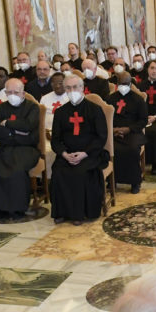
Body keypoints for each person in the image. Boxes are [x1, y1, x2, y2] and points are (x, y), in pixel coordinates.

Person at [50, 75, 108, 224]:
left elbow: (101, 137)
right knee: (58, 171)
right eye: (68, 88)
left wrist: (84, 153)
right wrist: (64, 154)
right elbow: (55, 139)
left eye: (75, 87)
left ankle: (80, 214)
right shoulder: (61, 112)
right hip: (67, 153)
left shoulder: (95, 110)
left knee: (79, 172)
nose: (72, 90)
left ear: (82, 88)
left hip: (90, 153)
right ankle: (62, 212)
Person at [0, 78, 42, 223]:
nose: (12, 95)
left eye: (16, 92)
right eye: (9, 92)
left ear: (23, 93)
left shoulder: (32, 107)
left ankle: (17, 209)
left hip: (26, 149)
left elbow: (29, 126)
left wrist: (8, 123)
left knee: (16, 170)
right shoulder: (1, 108)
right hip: (5, 148)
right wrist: (13, 133)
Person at [108, 71, 148, 194]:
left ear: (130, 84)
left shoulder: (138, 99)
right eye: (121, 83)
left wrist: (128, 129)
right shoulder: (110, 99)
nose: (123, 86)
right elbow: (105, 118)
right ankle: (112, 180)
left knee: (131, 149)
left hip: (133, 132)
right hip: (113, 132)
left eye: (126, 83)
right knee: (110, 148)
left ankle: (135, 182)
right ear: (117, 83)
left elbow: (143, 120)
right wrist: (113, 130)